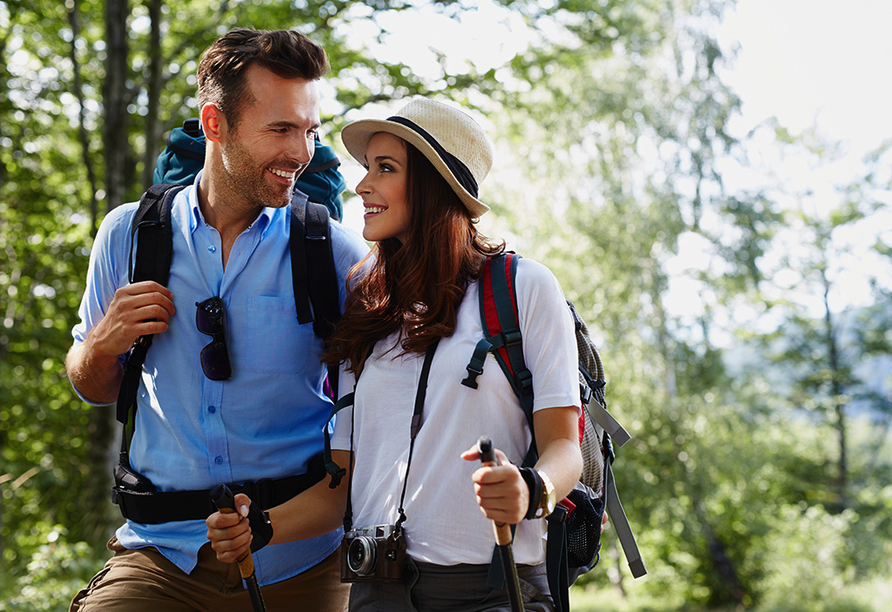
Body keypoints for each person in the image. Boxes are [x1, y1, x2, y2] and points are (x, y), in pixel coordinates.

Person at [206, 97, 583, 611]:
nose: (362, 186)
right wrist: (261, 527)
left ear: (435, 185)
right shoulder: (364, 308)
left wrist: (530, 490)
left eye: (386, 169)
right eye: (367, 168)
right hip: (375, 593)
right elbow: (341, 489)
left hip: (493, 592)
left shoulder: (523, 288)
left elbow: (566, 448)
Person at [66, 28, 368, 611]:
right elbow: (92, 386)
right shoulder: (128, 236)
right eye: (280, 129)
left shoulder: (333, 252)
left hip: (302, 559)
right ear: (214, 124)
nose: (301, 153)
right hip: (162, 557)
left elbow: (377, 417)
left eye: (309, 131)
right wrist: (103, 346)